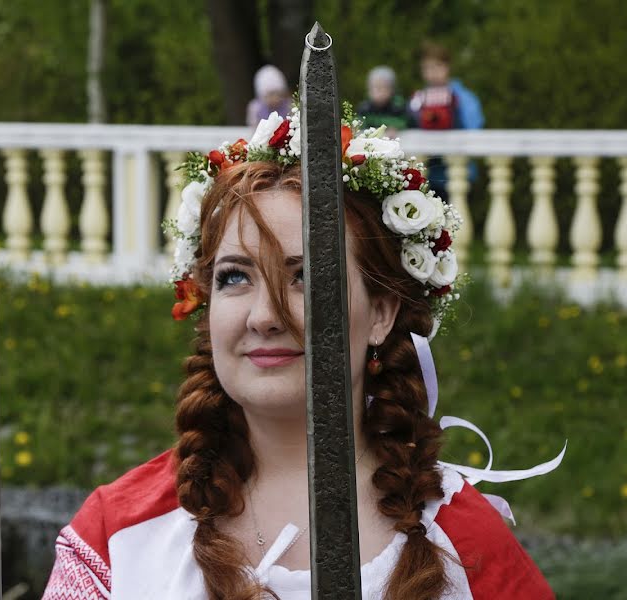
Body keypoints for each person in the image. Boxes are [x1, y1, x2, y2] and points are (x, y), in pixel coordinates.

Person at [42, 108, 561, 599]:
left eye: (306, 276)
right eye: (234, 277)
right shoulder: (118, 536)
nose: (264, 316)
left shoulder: (465, 544)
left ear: (381, 312)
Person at [409, 42, 485, 200]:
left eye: (437, 66)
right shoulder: (418, 99)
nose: (433, 72)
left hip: (458, 171)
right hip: (429, 172)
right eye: (427, 68)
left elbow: (474, 129)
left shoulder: (463, 98)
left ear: (447, 67)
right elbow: (410, 124)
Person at [357, 66, 414, 137]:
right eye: (375, 87)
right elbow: (358, 125)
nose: (379, 92)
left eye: (383, 88)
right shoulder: (364, 108)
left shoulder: (398, 106)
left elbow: (407, 122)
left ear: (392, 89)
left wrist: (395, 128)